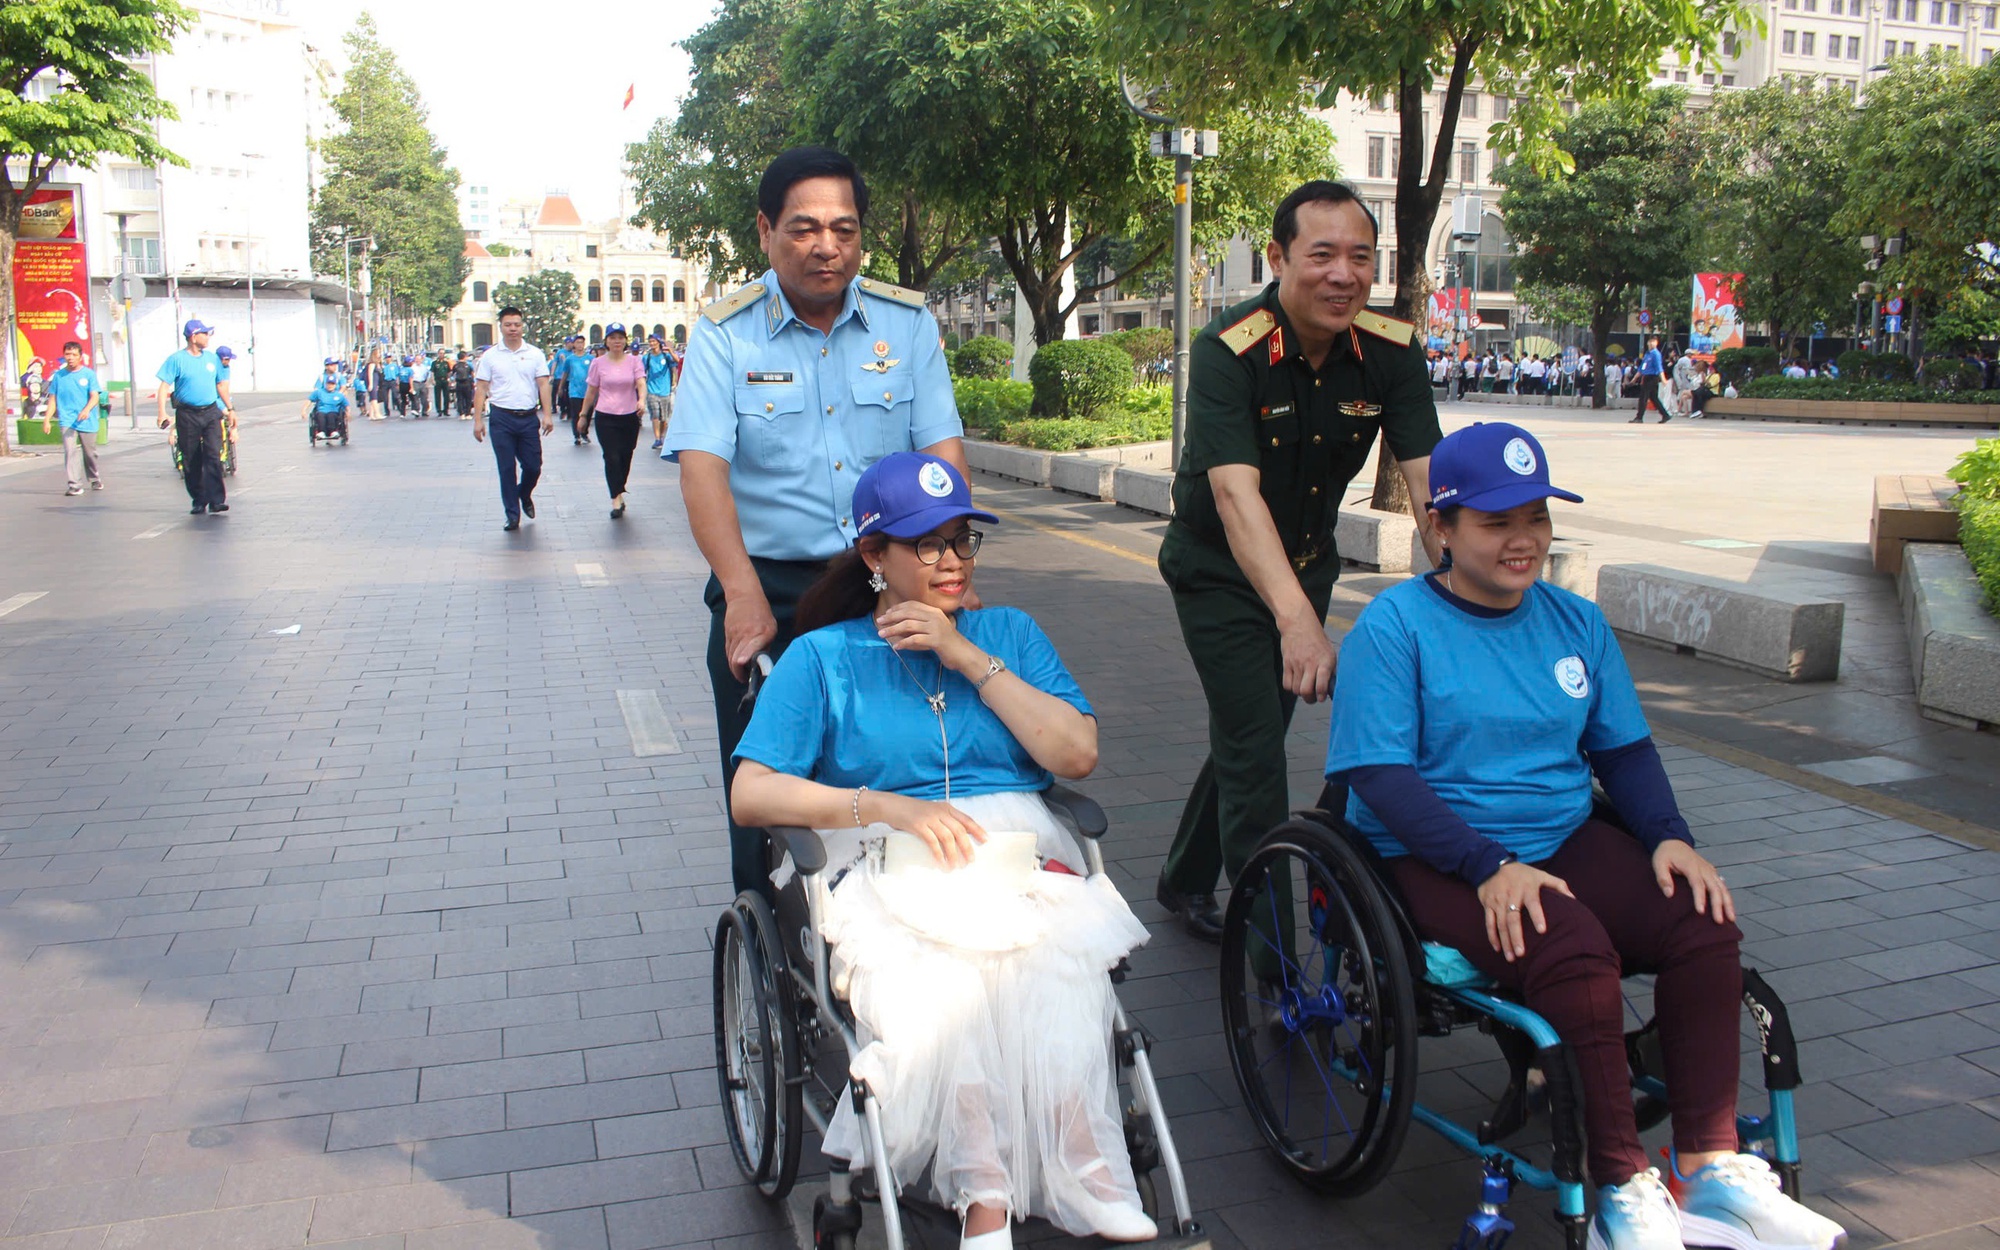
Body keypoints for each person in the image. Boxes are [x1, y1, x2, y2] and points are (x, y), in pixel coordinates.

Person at [1324, 422, 1845, 1250]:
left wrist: (1670, 837)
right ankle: (1623, 1189)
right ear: (1440, 528)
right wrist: (1486, 864)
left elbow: (1623, 749)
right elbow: (1380, 779)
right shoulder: (1395, 628)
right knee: (1570, 948)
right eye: (1496, 522)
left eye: (1536, 517)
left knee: (1702, 918)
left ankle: (1707, 1169)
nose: (1523, 540)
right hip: (1433, 852)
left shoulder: (1575, 622)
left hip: (1560, 835)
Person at [731, 452, 1155, 1250]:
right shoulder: (825, 658)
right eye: (925, 545)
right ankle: (984, 1195)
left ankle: (1087, 1168)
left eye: (962, 541)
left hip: (1008, 847)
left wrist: (964, 654)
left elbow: (1075, 755)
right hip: (881, 850)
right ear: (872, 557)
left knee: (1053, 965)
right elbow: (751, 794)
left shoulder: (1009, 634)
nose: (951, 560)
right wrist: (885, 805)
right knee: (937, 986)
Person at [666, 145, 967, 898]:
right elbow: (703, 471)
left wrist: (949, 571)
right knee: (764, 775)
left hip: (886, 580)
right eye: (803, 228)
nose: (826, 246)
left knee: (899, 752)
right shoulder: (725, 334)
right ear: (766, 230)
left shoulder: (907, 324)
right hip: (769, 585)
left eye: (844, 228)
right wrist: (739, 593)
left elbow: (941, 454)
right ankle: (760, 927)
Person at [1154, 179, 1442, 942]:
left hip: (1308, 566)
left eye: (1360, 257)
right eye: (1321, 255)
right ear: (1278, 258)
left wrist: (1463, 594)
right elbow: (1234, 495)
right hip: (1218, 573)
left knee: (1251, 735)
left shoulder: (1391, 352)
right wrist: (1297, 625)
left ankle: (1184, 878)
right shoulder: (1230, 351)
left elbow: (1428, 484)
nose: (1342, 275)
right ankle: (1273, 966)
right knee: (1257, 754)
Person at [471, 306, 555, 532]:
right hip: (501, 418)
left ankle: (524, 493)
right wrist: (477, 420)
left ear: (522, 326)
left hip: (528, 418)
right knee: (506, 468)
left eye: (517, 324)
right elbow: (481, 388)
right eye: (508, 324)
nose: (513, 329)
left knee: (533, 466)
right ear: (500, 327)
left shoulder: (535, 354)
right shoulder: (490, 356)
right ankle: (512, 514)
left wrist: (547, 414)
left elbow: (543, 384)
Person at [155, 319, 232, 515]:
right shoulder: (177, 359)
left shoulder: (212, 359)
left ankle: (216, 500)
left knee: (213, 455)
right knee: (191, 458)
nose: (207, 337)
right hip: (187, 414)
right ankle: (199, 499)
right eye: (204, 334)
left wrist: (231, 409)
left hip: (211, 412)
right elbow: (164, 387)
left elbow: (221, 385)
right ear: (193, 336)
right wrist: (162, 412)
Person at [579, 323, 646, 518]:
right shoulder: (598, 363)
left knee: (626, 455)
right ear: (606, 341)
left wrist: (641, 400)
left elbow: (641, 382)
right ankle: (615, 498)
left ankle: (620, 487)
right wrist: (584, 415)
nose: (617, 341)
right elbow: (591, 390)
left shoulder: (634, 361)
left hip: (629, 416)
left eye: (620, 338)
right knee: (611, 456)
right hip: (605, 416)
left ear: (625, 341)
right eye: (612, 338)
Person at [43, 341, 103, 496]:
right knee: (70, 451)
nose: (70, 358)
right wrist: (47, 419)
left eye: (74, 355)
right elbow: (52, 400)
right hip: (67, 420)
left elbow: (95, 396)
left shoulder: (89, 374)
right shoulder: (59, 376)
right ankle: (74, 485)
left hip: (86, 420)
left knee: (90, 453)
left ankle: (94, 477)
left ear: (80, 357)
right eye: (67, 354)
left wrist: (86, 410)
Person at [301, 357, 352, 445]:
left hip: (335, 404)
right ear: (327, 366)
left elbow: (343, 387)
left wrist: (336, 396)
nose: (335, 367)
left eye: (335, 365)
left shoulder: (339, 376)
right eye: (332, 365)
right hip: (323, 403)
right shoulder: (321, 378)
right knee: (320, 415)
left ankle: (333, 431)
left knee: (332, 415)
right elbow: (315, 392)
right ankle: (321, 432)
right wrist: (304, 410)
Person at [644, 332, 675, 450]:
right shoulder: (647, 357)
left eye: (654, 341)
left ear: (658, 342)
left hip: (665, 390)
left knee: (664, 418)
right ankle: (657, 439)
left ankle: (662, 436)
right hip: (652, 390)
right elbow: (642, 372)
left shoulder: (666, 356)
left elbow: (676, 362)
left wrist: (670, 350)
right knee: (655, 415)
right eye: (650, 341)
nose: (652, 344)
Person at [561, 335, 593, 443]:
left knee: (587, 414)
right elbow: (565, 373)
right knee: (576, 414)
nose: (580, 345)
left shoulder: (590, 359)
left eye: (582, 342)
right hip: (574, 391)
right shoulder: (570, 359)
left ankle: (584, 432)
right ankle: (577, 435)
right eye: (578, 342)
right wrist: (561, 387)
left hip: (588, 391)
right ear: (574, 344)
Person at [1631, 336, 1670, 423]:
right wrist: (1635, 378)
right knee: (1653, 398)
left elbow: (1659, 367)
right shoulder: (1647, 354)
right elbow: (1641, 368)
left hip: (1652, 377)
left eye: (1654, 341)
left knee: (1643, 397)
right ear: (1648, 343)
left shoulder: (1656, 354)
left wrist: (1663, 379)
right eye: (1651, 341)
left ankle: (1639, 417)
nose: (1652, 343)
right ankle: (1665, 415)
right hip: (1646, 377)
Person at [452, 350, 475, 420]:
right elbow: (472, 374)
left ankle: (461, 413)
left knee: (460, 398)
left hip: (459, 383)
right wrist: (473, 382)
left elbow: (452, 375)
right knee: (468, 398)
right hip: (467, 383)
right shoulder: (468, 364)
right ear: (465, 357)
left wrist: (453, 381)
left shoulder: (455, 365)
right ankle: (468, 413)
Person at [431, 349, 453, 417]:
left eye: (443, 353)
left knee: (446, 396)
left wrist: (449, 379)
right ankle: (439, 410)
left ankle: (446, 410)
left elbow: (449, 372)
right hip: (438, 380)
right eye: (440, 353)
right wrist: (432, 380)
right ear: (438, 354)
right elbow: (432, 372)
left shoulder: (446, 363)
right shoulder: (434, 363)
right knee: (437, 396)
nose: (441, 355)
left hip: (445, 380)